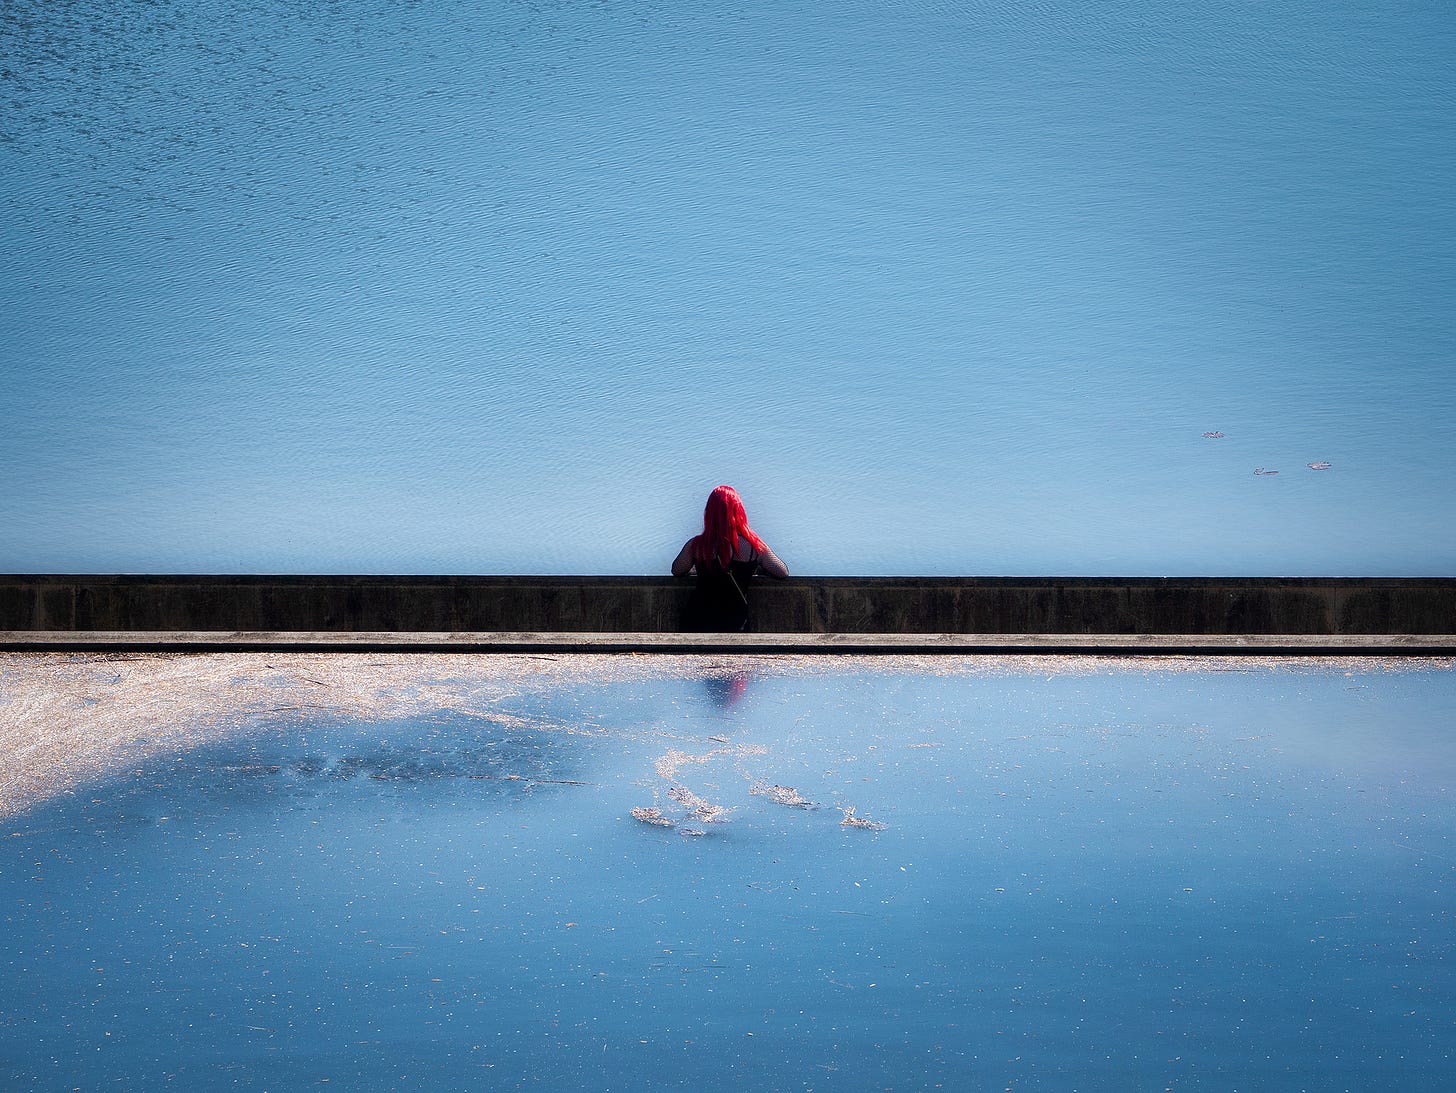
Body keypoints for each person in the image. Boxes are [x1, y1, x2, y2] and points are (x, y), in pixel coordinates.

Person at [672, 485, 788, 632]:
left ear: (710, 513)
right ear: (739, 512)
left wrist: (697, 568)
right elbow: (782, 572)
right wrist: (756, 569)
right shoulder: (754, 545)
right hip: (735, 623)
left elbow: (677, 570)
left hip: (697, 622)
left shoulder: (697, 545)